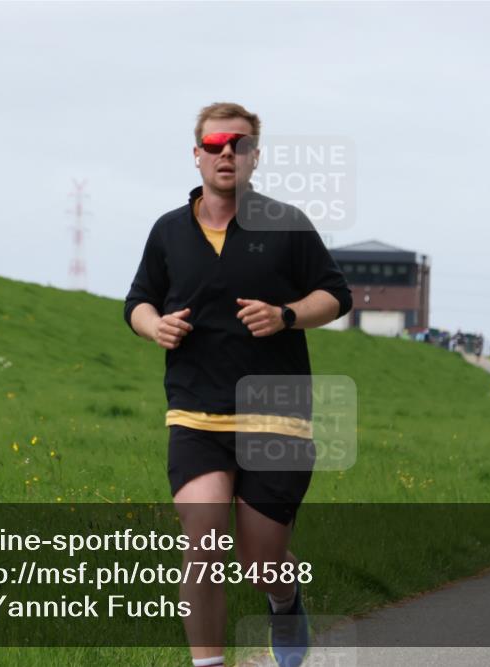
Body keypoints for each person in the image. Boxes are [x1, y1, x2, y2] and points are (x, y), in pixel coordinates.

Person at [124, 102, 352, 667]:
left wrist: (287, 316)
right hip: (196, 412)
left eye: (241, 144)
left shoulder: (287, 224)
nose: (228, 152)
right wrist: (157, 326)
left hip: (276, 413)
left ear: (255, 156)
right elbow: (138, 302)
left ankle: (284, 598)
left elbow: (335, 295)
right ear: (197, 154)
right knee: (201, 546)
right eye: (217, 143)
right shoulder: (169, 231)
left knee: (260, 559)